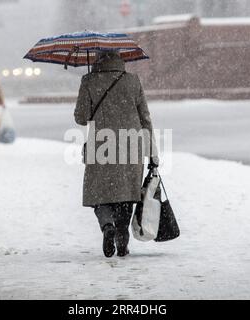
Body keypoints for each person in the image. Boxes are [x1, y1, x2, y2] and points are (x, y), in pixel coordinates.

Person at [75, 51, 158, 258]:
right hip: (131, 144)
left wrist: (90, 88)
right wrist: (152, 152)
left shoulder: (89, 80)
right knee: (126, 194)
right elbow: (145, 118)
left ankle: (107, 226)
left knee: (100, 194)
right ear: (121, 59)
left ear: (97, 60)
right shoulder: (132, 81)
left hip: (100, 145)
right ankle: (122, 239)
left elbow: (81, 118)